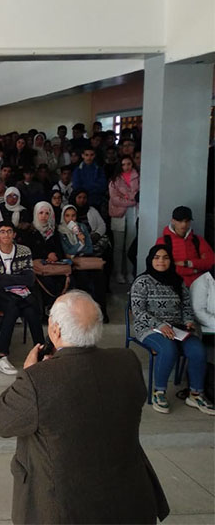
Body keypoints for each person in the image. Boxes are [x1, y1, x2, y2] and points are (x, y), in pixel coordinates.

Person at [0, 290, 170, 525]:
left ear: (54, 330)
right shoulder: (128, 362)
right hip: (129, 500)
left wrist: (32, 372)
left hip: (64, 508)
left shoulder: (38, 380)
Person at [130, 245, 214, 414]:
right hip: (150, 328)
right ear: (150, 260)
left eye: (166, 257)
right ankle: (158, 392)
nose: (161, 261)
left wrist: (189, 321)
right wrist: (160, 325)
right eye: (157, 257)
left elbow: (187, 307)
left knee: (198, 350)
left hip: (177, 328)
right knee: (168, 350)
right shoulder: (142, 281)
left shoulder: (177, 281)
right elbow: (138, 312)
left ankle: (195, 394)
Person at [0, 222, 44, 376]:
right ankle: (1, 356)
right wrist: (16, 279)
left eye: (9, 231)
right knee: (12, 308)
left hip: (22, 293)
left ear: (14, 234)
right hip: (2, 295)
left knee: (32, 311)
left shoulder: (24, 251)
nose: (6, 235)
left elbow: (30, 279)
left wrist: (4, 277)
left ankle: (41, 352)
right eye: (2, 232)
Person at [58, 205, 108, 320]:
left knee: (99, 278)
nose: (71, 219)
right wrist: (79, 244)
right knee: (82, 279)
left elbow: (89, 247)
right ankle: (85, 312)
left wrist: (79, 245)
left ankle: (101, 312)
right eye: (67, 216)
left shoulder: (82, 227)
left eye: (73, 215)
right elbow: (66, 251)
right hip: (72, 263)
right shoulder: (61, 231)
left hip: (86, 259)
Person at [155, 206, 214, 287]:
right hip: (173, 285)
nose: (184, 224)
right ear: (173, 221)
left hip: (198, 285)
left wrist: (187, 263)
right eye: (180, 221)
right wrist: (194, 270)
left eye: (187, 221)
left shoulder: (197, 240)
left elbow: (211, 262)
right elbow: (160, 266)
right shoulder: (163, 241)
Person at [108, 155, 140, 283]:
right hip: (118, 214)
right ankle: (118, 273)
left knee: (130, 245)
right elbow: (114, 199)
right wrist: (131, 200)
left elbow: (138, 194)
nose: (126, 166)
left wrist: (127, 197)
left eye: (128, 164)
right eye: (123, 164)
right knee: (118, 246)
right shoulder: (114, 180)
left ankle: (129, 273)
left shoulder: (138, 177)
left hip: (133, 213)